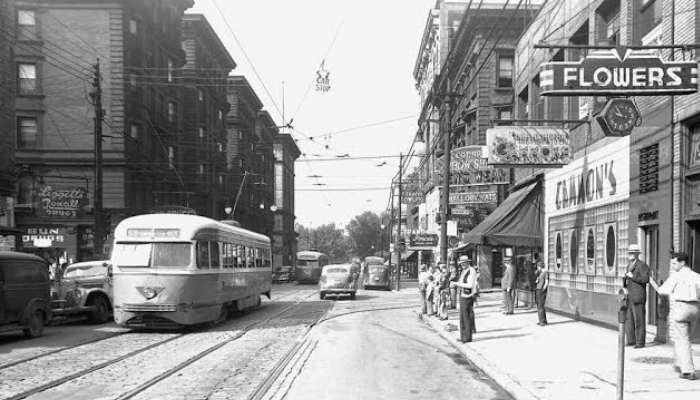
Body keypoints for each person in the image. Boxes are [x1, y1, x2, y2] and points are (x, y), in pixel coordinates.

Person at [649, 252, 700, 380]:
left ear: (682, 263)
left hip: (681, 307)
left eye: (674, 263)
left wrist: (651, 282)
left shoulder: (676, 276)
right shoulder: (697, 276)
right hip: (695, 308)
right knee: (685, 337)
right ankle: (679, 362)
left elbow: (662, 291)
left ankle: (688, 370)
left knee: (683, 339)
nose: (672, 266)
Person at [624, 244, 650, 348]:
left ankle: (640, 342)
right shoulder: (629, 265)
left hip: (638, 296)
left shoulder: (642, 265)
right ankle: (631, 340)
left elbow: (645, 279)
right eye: (629, 253)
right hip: (629, 296)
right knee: (629, 319)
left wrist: (633, 276)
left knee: (639, 320)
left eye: (631, 253)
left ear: (636, 254)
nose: (629, 255)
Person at [451, 255, 477, 342]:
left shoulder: (471, 271)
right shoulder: (464, 271)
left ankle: (467, 337)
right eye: (461, 263)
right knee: (462, 316)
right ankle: (463, 336)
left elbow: (470, 285)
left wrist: (457, 284)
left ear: (467, 262)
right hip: (463, 294)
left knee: (466, 316)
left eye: (464, 263)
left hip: (468, 295)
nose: (462, 265)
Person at [535, 261, 548, 326]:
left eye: (538, 267)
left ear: (539, 267)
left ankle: (542, 321)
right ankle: (543, 320)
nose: (537, 268)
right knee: (540, 305)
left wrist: (543, 289)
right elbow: (538, 280)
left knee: (540, 305)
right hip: (539, 289)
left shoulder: (545, 272)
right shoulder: (541, 273)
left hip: (541, 290)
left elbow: (546, 282)